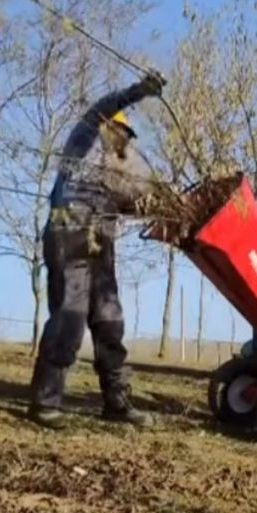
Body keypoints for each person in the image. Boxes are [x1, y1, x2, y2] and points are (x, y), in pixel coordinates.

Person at [28, 70, 166, 429]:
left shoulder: (122, 174)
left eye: (126, 136)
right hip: (68, 233)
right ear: (107, 127)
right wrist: (138, 91)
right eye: (118, 131)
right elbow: (103, 107)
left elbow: (145, 200)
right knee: (69, 318)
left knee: (110, 322)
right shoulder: (82, 143)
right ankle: (46, 403)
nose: (122, 140)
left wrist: (170, 205)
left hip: (101, 244)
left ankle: (117, 404)